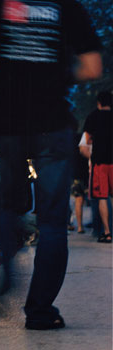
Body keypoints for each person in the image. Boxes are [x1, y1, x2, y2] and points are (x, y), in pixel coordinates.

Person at [0, 0, 102, 329]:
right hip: (53, 123)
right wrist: (58, 78)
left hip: (10, 121)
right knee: (53, 221)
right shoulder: (67, 5)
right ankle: (40, 310)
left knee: (8, 209)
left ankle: (8, 274)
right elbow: (92, 67)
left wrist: (6, 82)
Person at [83, 91, 113, 243]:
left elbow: (87, 141)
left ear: (99, 103)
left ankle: (107, 232)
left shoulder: (93, 117)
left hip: (100, 162)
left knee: (102, 196)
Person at [70, 132, 90, 234]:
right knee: (94, 200)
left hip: (75, 176)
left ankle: (80, 226)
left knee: (79, 201)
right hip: (86, 176)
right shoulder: (86, 149)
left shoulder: (72, 151)